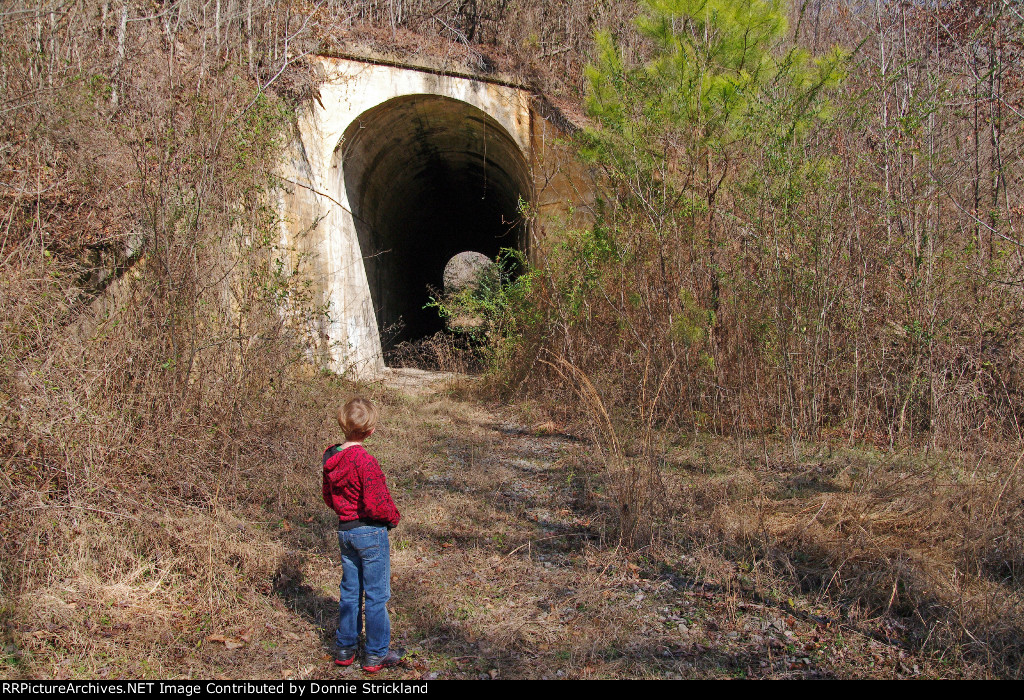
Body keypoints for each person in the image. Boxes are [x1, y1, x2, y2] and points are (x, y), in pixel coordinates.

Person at [322, 397, 403, 673]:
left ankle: (345, 648)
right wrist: (393, 518)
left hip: (345, 532)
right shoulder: (364, 460)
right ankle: (376, 653)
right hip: (370, 532)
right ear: (371, 431)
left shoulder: (331, 456)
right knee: (377, 595)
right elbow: (376, 501)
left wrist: (344, 510)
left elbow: (328, 496)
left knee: (350, 591)